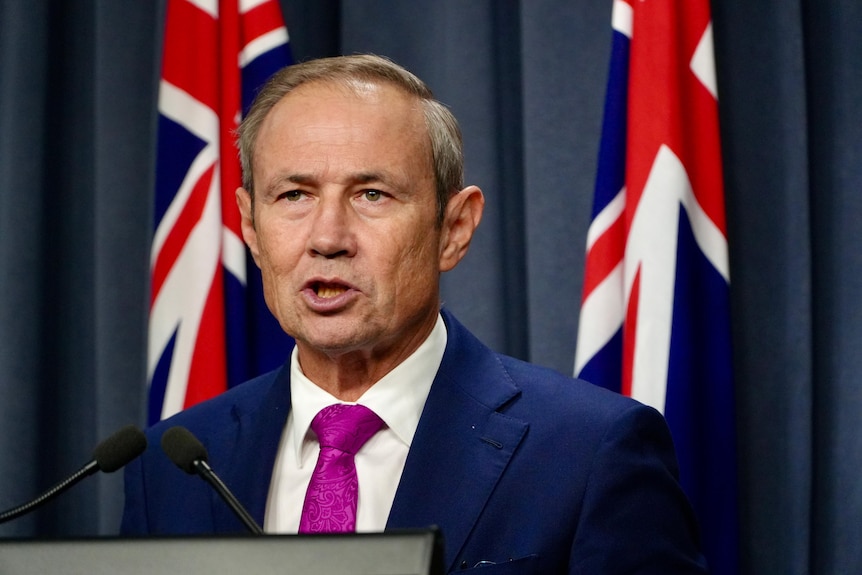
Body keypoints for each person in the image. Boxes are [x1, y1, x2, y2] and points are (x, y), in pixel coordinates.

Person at [121, 54, 708, 574]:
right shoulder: (173, 465)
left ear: (454, 229)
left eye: (372, 194)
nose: (328, 238)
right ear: (250, 226)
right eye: (293, 195)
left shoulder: (589, 452)